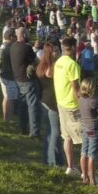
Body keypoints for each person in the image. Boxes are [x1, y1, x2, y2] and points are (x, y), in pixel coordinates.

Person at [53, 35, 83, 176]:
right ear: (72, 48)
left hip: (61, 102)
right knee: (85, 140)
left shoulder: (59, 62)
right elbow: (76, 89)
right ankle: (86, 171)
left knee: (67, 137)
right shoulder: (73, 65)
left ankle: (71, 167)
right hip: (72, 106)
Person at [36, 38, 64, 168]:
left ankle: (53, 159)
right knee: (55, 133)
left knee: (50, 132)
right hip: (52, 103)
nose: (58, 52)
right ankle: (52, 161)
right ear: (50, 53)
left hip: (45, 100)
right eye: (56, 51)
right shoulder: (53, 68)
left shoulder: (43, 65)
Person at [11, 26, 41, 138]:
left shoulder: (13, 46)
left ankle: (23, 128)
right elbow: (36, 61)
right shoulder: (26, 48)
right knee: (33, 106)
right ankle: (34, 132)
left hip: (17, 78)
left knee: (22, 105)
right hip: (28, 80)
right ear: (23, 35)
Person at [78, 76, 98, 185]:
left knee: (84, 152)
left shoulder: (80, 99)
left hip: (84, 127)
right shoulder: (94, 101)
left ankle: (85, 177)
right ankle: (92, 179)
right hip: (93, 128)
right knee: (92, 155)